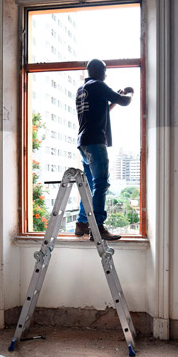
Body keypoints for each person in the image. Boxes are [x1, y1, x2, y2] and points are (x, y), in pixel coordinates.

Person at [74, 58, 134, 241]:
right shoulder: (99, 85)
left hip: (83, 142)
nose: (106, 74)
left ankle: (82, 223)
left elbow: (104, 109)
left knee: (90, 185)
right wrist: (129, 93)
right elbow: (124, 101)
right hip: (95, 141)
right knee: (101, 184)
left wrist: (115, 96)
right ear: (101, 71)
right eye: (105, 71)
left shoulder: (82, 90)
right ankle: (98, 227)